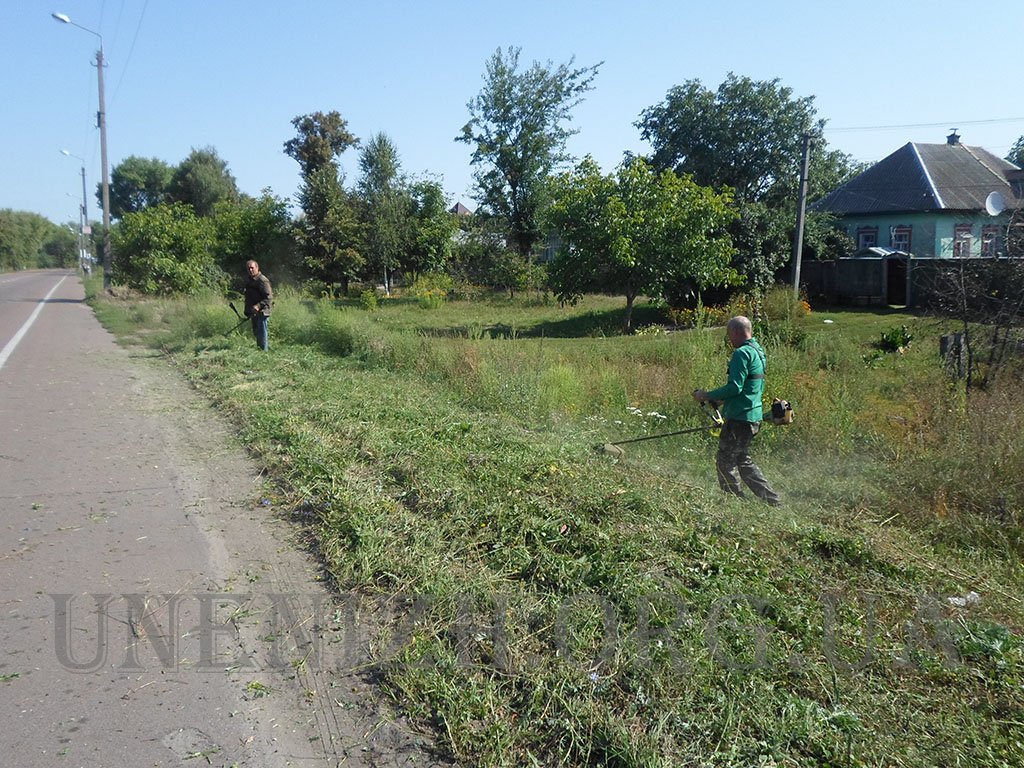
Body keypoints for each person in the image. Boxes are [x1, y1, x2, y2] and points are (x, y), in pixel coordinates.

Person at [692, 316, 780, 505]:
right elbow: (748, 386)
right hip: (752, 415)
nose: (729, 339)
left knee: (725, 459)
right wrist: (720, 399)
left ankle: (733, 499)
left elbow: (735, 387)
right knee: (742, 458)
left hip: (740, 417)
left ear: (735, 332)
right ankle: (771, 500)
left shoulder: (741, 353)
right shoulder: (758, 351)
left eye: (729, 334)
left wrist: (706, 395)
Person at [243, 260, 273, 351]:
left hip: (263, 311)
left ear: (257, 268)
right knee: (257, 333)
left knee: (262, 333)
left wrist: (259, 306)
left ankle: (264, 353)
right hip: (255, 312)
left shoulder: (262, 280)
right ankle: (260, 350)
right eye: (248, 268)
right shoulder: (250, 281)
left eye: (252, 268)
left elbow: (269, 298)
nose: (250, 270)